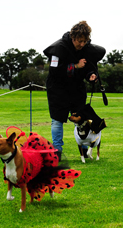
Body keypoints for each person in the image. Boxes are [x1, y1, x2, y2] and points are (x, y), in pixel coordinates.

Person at [43, 21, 106, 157]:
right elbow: (54, 71)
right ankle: (57, 151)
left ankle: (84, 148)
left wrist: (91, 75)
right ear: (73, 37)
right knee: (57, 120)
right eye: (79, 41)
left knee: (81, 118)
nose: (82, 44)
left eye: (85, 41)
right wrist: (75, 66)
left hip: (76, 89)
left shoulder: (86, 49)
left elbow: (88, 68)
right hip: (57, 89)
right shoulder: (59, 48)